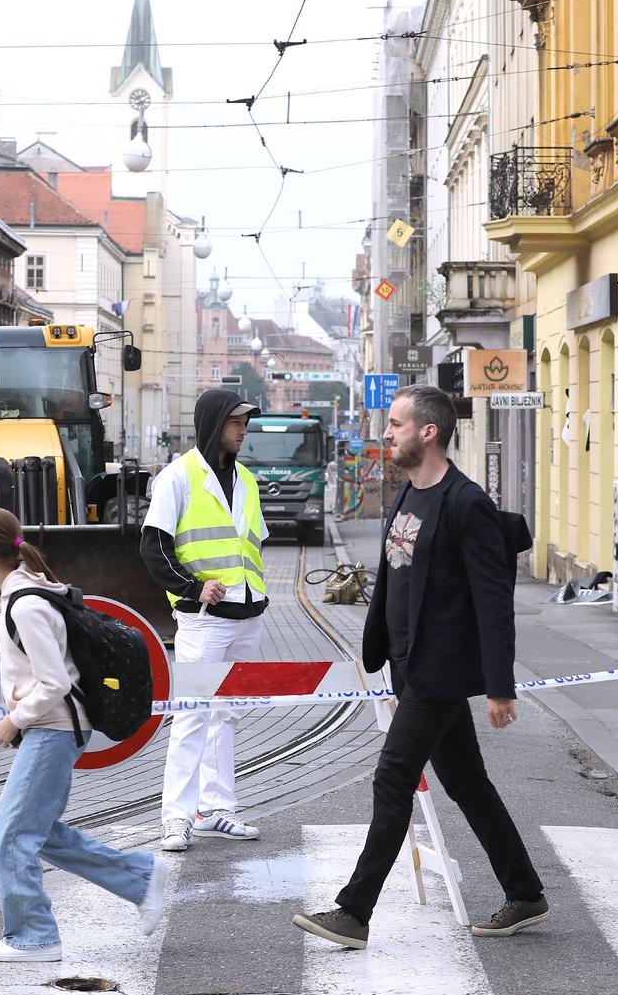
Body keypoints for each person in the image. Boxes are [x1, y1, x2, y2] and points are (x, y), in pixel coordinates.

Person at [294, 383, 547, 949]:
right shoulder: (408, 495)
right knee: (467, 784)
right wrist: (380, 655)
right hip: (410, 668)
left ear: (428, 432)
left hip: (440, 671)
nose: (387, 433)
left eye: (396, 425)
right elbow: (394, 582)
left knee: (391, 778)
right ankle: (525, 892)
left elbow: (492, 600)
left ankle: (354, 912)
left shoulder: (465, 503)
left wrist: (498, 688)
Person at [0, 507, 167, 962]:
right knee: (38, 831)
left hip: (53, 728)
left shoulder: (27, 603)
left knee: (11, 832)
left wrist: (14, 720)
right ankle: (139, 876)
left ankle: (35, 936)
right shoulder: (24, 594)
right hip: (55, 727)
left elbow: (54, 681)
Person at [141, 388, 269, 851]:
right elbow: (153, 547)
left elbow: (252, 545)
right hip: (204, 618)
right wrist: (194, 588)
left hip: (247, 615)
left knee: (227, 715)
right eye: (237, 422)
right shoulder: (178, 477)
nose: (244, 429)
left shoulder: (248, 481)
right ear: (214, 424)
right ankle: (176, 817)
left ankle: (218, 809)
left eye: (245, 422)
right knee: (192, 716)